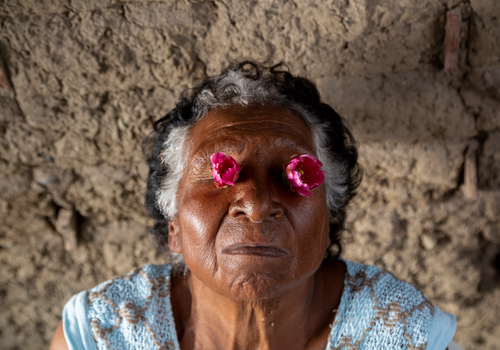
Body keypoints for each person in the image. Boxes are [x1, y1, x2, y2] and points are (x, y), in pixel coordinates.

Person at [50, 61, 457, 350]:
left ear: (327, 223)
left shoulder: (404, 334)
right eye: (220, 174)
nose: (258, 205)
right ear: (173, 224)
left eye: (293, 174)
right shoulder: (101, 334)